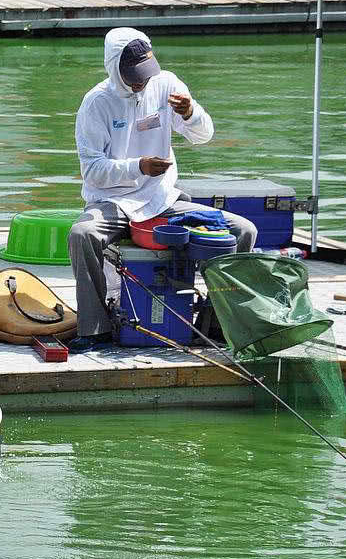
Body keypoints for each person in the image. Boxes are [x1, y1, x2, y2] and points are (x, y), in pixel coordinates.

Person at [67, 27, 257, 351]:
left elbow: (203, 136)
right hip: (113, 201)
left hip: (161, 199)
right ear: (114, 69)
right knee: (82, 234)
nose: (140, 81)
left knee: (242, 231)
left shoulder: (167, 84)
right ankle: (94, 327)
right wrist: (137, 166)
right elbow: (92, 171)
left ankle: (212, 325)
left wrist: (191, 113)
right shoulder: (96, 103)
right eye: (132, 76)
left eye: (144, 73)